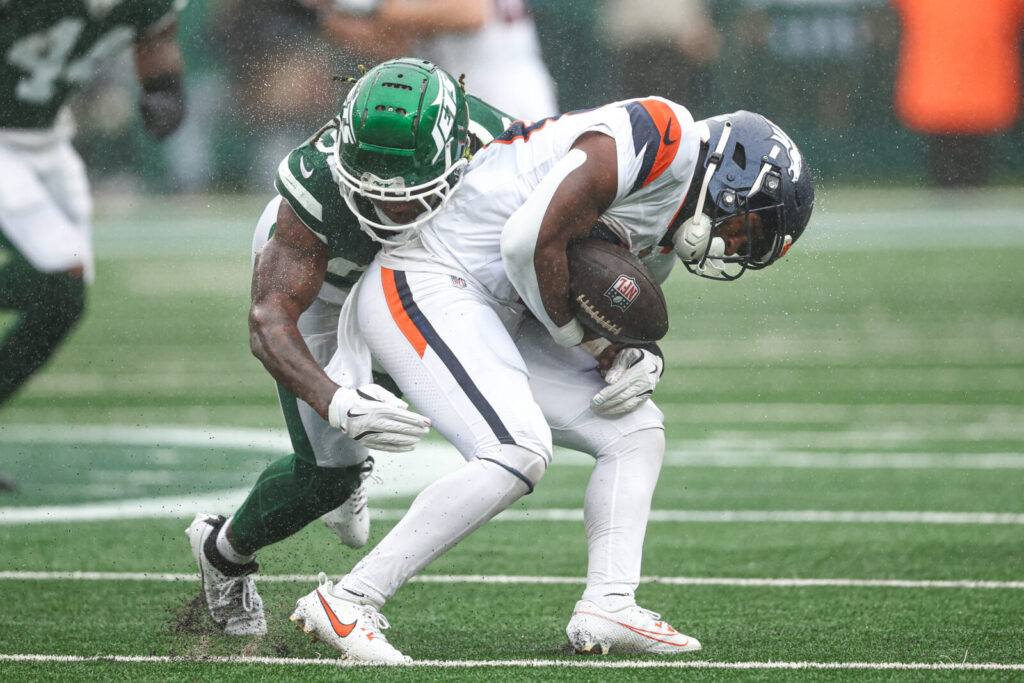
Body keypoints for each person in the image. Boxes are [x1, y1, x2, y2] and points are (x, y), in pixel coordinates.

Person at [288, 100, 814, 662]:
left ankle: (609, 603)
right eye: (748, 227)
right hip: (430, 277)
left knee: (635, 431)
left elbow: (597, 302)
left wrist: (634, 356)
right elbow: (525, 243)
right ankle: (347, 600)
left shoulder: (667, 232)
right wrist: (585, 341)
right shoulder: (661, 135)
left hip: (500, 304)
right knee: (516, 448)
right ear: (732, 178)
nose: (736, 246)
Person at [185, 58, 516, 637]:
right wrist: (338, 402)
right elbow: (269, 319)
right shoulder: (316, 184)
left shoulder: (501, 153)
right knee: (326, 478)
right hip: (330, 293)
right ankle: (221, 553)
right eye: (373, 193)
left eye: (409, 195)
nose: (390, 209)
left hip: (422, 282)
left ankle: (354, 443)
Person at [0, 0, 188, 491]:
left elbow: (157, 36)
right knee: (58, 284)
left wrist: (164, 87)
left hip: (45, 140)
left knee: (61, 303)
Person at [315, 0, 558, 122]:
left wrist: (371, 7)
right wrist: (324, 16)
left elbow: (471, 12)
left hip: (501, 95)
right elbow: (398, 49)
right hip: (457, 97)